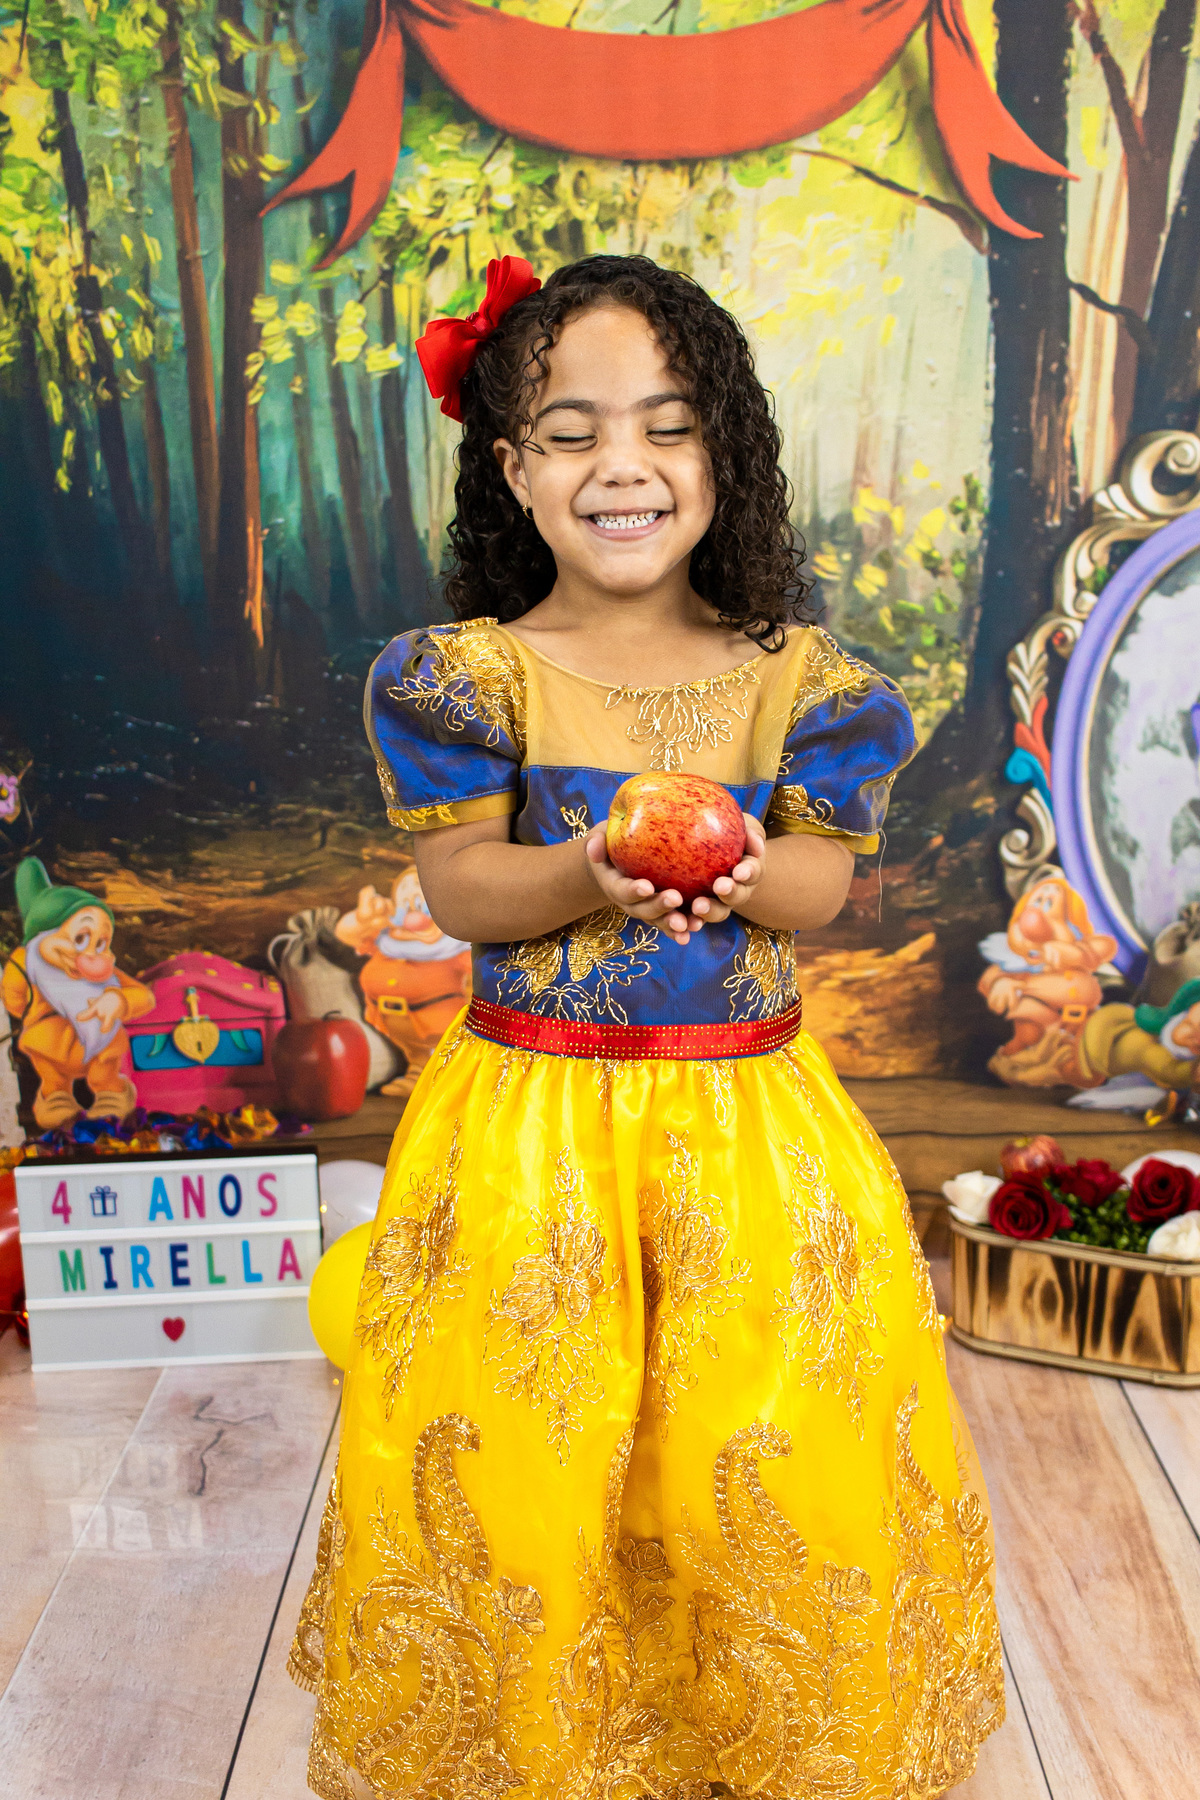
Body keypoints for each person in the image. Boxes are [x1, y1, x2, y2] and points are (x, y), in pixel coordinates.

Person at [288, 255, 1004, 1799]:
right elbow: (462, 891)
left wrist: (739, 869)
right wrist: (589, 869)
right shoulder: (468, 677)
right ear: (514, 470)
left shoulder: (800, 679)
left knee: (756, 1429)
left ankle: (743, 1729)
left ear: (722, 455)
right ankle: (544, 1740)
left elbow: (821, 886)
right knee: (527, 1439)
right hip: (528, 1128)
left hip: (748, 1124)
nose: (625, 464)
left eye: (669, 426)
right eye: (575, 432)